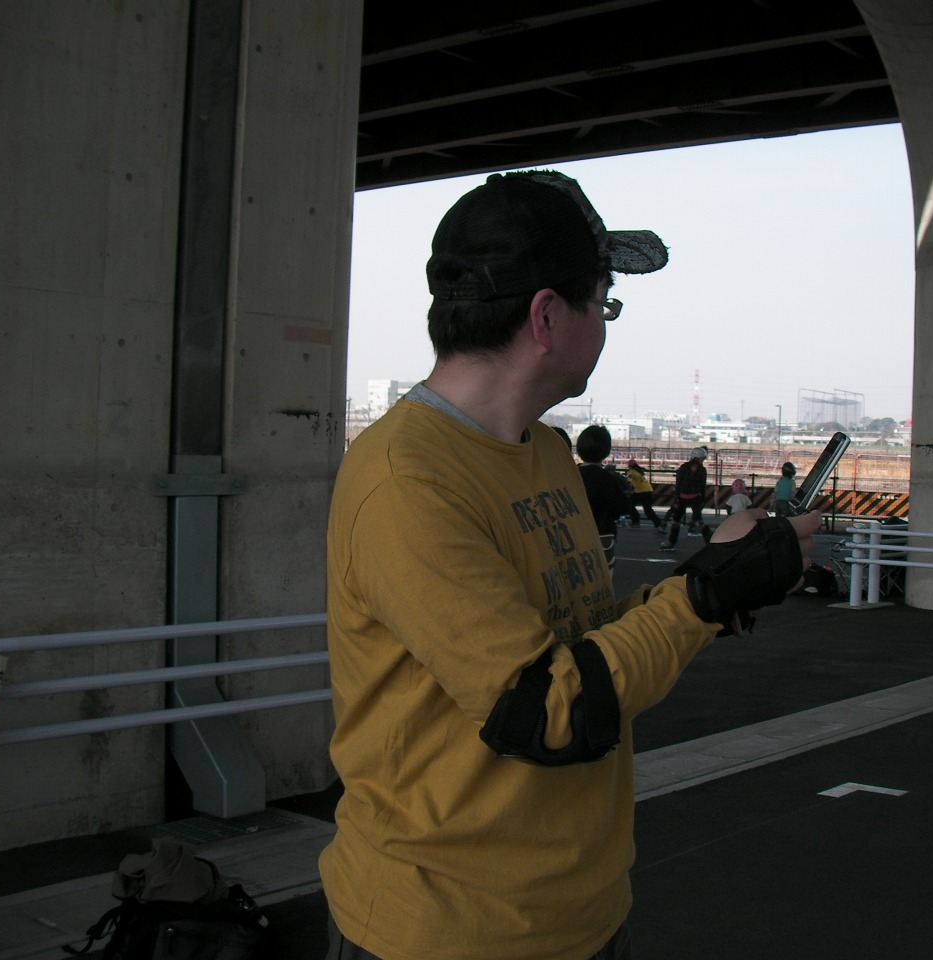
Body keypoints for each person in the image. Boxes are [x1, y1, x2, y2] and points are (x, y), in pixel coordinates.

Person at [321, 167, 822, 960]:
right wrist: (703, 594)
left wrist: (718, 580)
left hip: (581, 907)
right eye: (605, 303)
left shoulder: (545, 452)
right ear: (548, 316)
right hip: (446, 929)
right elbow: (542, 709)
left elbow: (575, 641)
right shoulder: (407, 480)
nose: (608, 325)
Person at [575, 425, 630, 571]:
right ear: (606, 451)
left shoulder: (571, 473)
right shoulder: (605, 477)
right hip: (601, 534)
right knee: (602, 577)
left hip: (574, 535)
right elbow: (622, 506)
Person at [658, 446, 709, 551]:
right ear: (697, 458)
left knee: (679, 521)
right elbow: (702, 486)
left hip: (684, 497)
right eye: (702, 459)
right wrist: (703, 499)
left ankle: (671, 542)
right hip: (692, 498)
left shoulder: (686, 467)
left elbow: (679, 484)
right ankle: (709, 540)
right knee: (695, 520)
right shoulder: (699, 470)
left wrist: (676, 498)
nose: (703, 461)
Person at [624, 459, 661, 530]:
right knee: (648, 510)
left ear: (629, 466)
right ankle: (659, 524)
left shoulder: (631, 472)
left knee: (630, 505)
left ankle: (635, 522)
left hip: (640, 492)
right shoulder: (639, 472)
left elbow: (628, 482)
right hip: (649, 491)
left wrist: (627, 490)